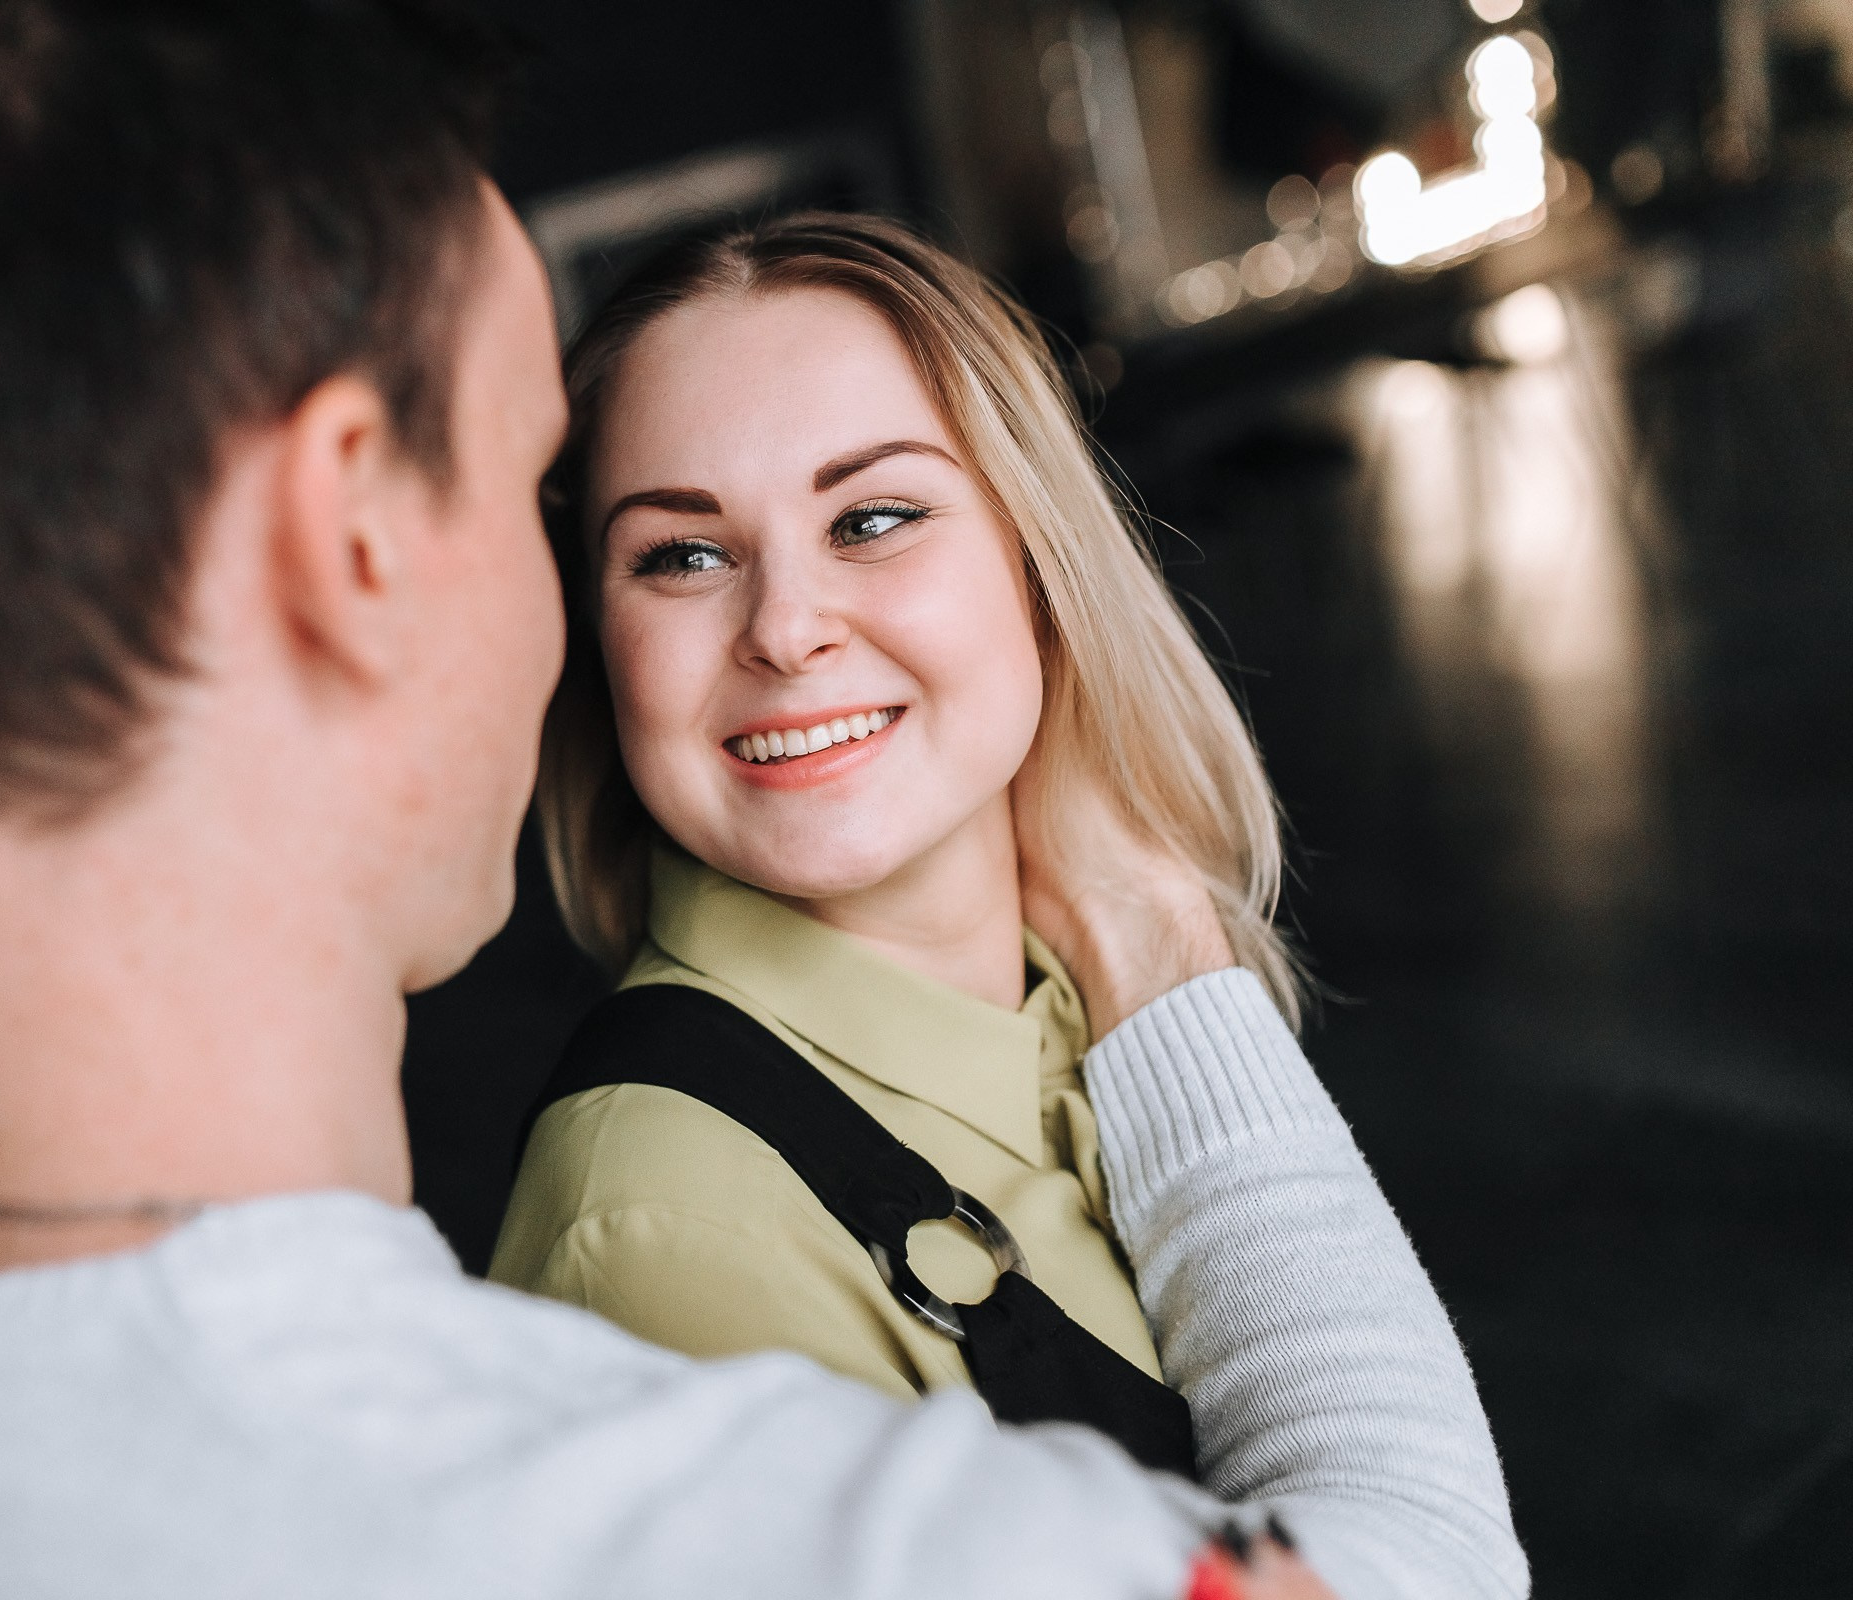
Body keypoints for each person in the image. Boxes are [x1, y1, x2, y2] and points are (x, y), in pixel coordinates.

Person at [0, 1, 1441, 1596]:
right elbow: (1413, 1554)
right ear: (351, 523)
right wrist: (1175, 973)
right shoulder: (815, 1540)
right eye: (540, 479)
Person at [490, 211, 1520, 1590]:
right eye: (682, 555)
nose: (785, 629)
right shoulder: (668, 1237)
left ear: (1042, 565)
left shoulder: (1067, 998)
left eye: (873, 517)